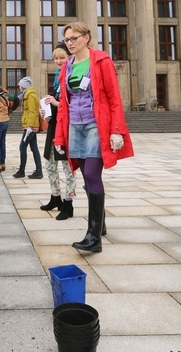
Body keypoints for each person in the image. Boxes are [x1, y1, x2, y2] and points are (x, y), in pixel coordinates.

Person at [54, 22, 133, 253]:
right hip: (74, 126)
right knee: (87, 178)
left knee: (91, 173)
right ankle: (101, 224)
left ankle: (93, 237)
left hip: (95, 125)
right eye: (67, 39)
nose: (70, 43)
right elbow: (63, 106)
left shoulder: (100, 60)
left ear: (86, 38)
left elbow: (113, 97)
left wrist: (116, 128)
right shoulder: (66, 66)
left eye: (74, 38)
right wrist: (59, 136)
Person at [40, 43, 76, 220]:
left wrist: (56, 103)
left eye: (62, 57)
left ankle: (68, 203)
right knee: (50, 164)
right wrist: (46, 112)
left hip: (67, 127)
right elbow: (57, 103)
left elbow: (75, 104)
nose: (58, 61)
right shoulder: (57, 77)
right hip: (55, 125)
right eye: (56, 58)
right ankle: (55, 198)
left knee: (67, 166)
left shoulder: (72, 75)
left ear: (69, 57)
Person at [13, 76, 43, 179]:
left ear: (24, 86)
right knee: (34, 148)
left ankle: (22, 171)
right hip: (31, 124)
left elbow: (32, 111)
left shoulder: (30, 96)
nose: (19, 88)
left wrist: (29, 126)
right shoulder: (28, 94)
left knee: (22, 147)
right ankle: (38, 171)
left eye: (20, 86)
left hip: (30, 126)